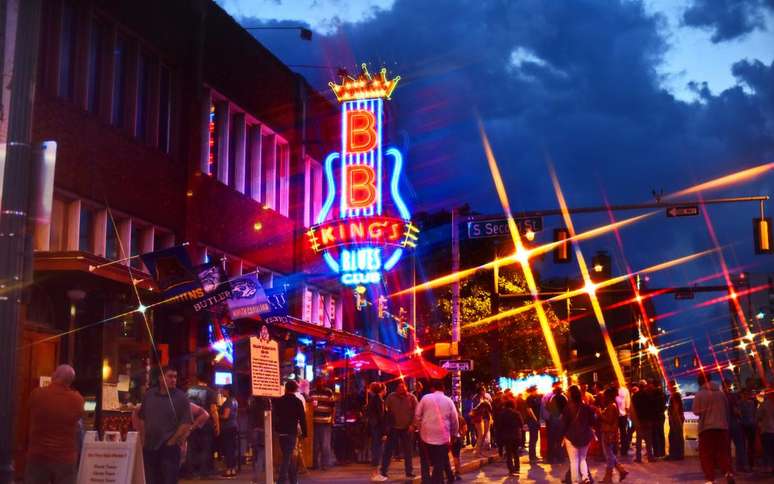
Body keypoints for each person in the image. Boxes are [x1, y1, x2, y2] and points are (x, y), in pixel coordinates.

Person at [25, 365, 85, 484]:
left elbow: (29, 409)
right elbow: (78, 423)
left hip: (38, 455)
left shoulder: (37, 394)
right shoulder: (78, 400)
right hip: (65, 457)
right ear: (71, 381)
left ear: (54, 376)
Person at [138, 366, 193, 484]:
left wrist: (172, 441)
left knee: (169, 480)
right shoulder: (149, 395)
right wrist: (142, 438)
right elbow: (142, 418)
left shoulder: (181, 397)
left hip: (169, 448)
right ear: (160, 378)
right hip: (150, 446)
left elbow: (186, 423)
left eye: (175, 377)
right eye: (170, 376)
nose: (173, 380)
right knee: (151, 480)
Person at [414, 379, 458, 484]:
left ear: (432, 388)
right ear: (443, 388)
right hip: (442, 437)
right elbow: (454, 420)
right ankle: (436, 481)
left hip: (426, 436)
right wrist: (454, 434)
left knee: (425, 460)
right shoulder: (449, 401)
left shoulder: (425, 398)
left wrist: (421, 426)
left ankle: (426, 481)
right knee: (439, 462)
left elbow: (417, 415)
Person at [693, 372, 734, 483]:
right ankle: (728, 473)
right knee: (723, 453)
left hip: (707, 428)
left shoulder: (700, 394)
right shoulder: (720, 394)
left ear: (700, 381)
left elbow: (696, 412)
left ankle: (710, 479)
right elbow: (727, 409)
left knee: (707, 455)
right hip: (722, 427)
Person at [374, 381, 418, 481]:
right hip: (393, 428)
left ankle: (409, 471)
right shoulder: (391, 397)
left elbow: (417, 412)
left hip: (407, 428)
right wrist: (387, 423)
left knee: (408, 451)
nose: (400, 391)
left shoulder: (411, 398)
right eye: (399, 389)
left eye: (402, 389)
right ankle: (384, 471)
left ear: (406, 389)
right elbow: (385, 410)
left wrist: (413, 425)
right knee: (388, 451)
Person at [185, 373, 219, 478]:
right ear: (208, 382)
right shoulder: (211, 392)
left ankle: (190, 472)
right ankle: (204, 473)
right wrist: (217, 424)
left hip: (191, 422)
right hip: (206, 423)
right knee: (206, 448)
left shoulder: (189, 391)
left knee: (191, 447)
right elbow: (213, 410)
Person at [274, 380, 308, 484]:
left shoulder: (279, 401)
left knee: (288, 455)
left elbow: (275, 416)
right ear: (295, 389)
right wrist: (305, 434)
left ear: (286, 388)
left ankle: (293, 480)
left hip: (281, 432)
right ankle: (281, 480)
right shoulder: (297, 402)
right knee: (288, 457)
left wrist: (276, 428)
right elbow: (302, 418)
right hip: (292, 432)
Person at [561, 385, 596, 484]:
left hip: (571, 437)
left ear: (571, 394)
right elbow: (593, 421)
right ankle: (585, 478)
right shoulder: (586, 407)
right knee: (582, 459)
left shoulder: (567, 408)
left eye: (568, 392)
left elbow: (564, 424)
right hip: (585, 436)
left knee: (574, 461)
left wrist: (562, 435)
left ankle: (575, 481)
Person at [599, 387, 629, 483]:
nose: (603, 398)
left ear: (608, 396)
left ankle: (608, 478)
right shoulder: (611, 406)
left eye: (604, 396)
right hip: (609, 433)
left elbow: (609, 420)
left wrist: (599, 414)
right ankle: (621, 471)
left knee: (609, 456)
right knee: (610, 455)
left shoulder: (612, 406)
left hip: (609, 434)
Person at [310, 379, 335, 471]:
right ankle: (315, 464)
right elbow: (309, 404)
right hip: (314, 421)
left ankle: (325, 464)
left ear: (324, 383)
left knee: (325, 445)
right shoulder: (311, 392)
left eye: (321, 382)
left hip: (326, 421)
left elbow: (333, 406)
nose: (319, 383)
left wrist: (333, 419)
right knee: (315, 445)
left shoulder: (328, 392)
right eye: (318, 382)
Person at [498, 399, 524, 476]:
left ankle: (511, 469)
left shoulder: (502, 414)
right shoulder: (517, 413)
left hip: (506, 436)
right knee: (515, 452)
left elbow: (499, 426)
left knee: (509, 454)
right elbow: (521, 424)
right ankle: (517, 468)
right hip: (516, 435)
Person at [366, 382, 387, 478]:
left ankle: (375, 473)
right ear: (381, 390)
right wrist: (384, 432)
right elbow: (381, 416)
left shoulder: (373, 399)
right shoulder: (378, 400)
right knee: (377, 450)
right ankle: (375, 473)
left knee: (376, 449)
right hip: (378, 428)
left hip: (374, 427)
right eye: (385, 389)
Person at [631, 379, 654, 463]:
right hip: (647, 420)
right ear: (645, 386)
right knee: (648, 440)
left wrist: (634, 419)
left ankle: (638, 457)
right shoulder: (649, 395)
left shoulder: (635, 396)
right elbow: (652, 408)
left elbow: (632, 409)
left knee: (639, 440)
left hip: (638, 420)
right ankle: (650, 457)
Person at [544, 383, 567, 463]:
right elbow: (566, 408)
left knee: (551, 440)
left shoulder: (551, 398)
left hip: (553, 419)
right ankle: (560, 458)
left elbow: (547, 407)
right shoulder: (564, 397)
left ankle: (550, 458)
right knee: (560, 440)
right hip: (560, 420)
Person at [219, 385, 239, 478]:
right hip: (234, 426)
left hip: (227, 427)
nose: (222, 392)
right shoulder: (235, 401)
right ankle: (233, 469)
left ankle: (229, 470)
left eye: (223, 390)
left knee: (228, 449)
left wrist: (217, 415)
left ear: (227, 391)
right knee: (232, 448)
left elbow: (226, 416)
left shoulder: (228, 402)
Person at [247, 396, 268, 484]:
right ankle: (259, 476)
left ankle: (255, 477)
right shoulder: (266, 404)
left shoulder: (252, 405)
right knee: (261, 453)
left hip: (254, 430)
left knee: (255, 455)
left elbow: (249, 417)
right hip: (263, 430)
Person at [738, 388, 758, 471]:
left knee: (750, 445)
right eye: (744, 394)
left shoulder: (751, 403)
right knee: (746, 445)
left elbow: (754, 414)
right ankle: (746, 464)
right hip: (745, 425)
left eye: (747, 393)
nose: (746, 395)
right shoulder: (741, 403)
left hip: (749, 425)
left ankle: (750, 464)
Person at [471, 386, 493, 457]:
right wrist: (482, 403)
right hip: (479, 418)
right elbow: (474, 409)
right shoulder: (476, 398)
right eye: (484, 390)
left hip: (485, 418)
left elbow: (489, 408)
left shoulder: (484, 398)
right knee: (480, 435)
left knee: (483, 435)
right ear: (480, 391)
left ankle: (479, 451)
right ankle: (477, 452)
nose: (485, 392)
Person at [666, 381, 685, 461]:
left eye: (668, 386)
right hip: (677, 419)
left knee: (674, 436)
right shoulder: (675, 395)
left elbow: (676, 407)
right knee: (675, 436)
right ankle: (677, 454)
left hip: (676, 419)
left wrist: (672, 417)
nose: (667, 387)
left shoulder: (675, 395)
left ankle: (675, 454)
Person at [757, 389, 774, 474]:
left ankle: (768, 467)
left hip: (766, 429)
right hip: (772, 429)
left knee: (767, 449)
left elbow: (758, 416)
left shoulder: (763, 405)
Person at [525, 385, 542, 463]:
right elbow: (529, 410)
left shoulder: (535, 398)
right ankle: (532, 457)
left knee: (535, 438)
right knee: (533, 439)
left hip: (535, 421)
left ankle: (534, 455)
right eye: (535, 390)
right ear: (532, 391)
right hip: (532, 421)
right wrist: (535, 420)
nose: (537, 392)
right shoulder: (529, 399)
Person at [614, 381, 631, 457]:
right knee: (614, 433)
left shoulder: (625, 390)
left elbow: (628, 401)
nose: (616, 383)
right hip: (614, 415)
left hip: (623, 414)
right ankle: (615, 450)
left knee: (623, 432)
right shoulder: (611, 391)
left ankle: (624, 450)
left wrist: (627, 412)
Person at [651, 381, 667, 459]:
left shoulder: (653, 394)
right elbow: (664, 405)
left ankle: (656, 453)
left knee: (655, 434)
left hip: (654, 416)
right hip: (661, 415)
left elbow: (651, 406)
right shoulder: (663, 394)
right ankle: (662, 452)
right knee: (661, 434)